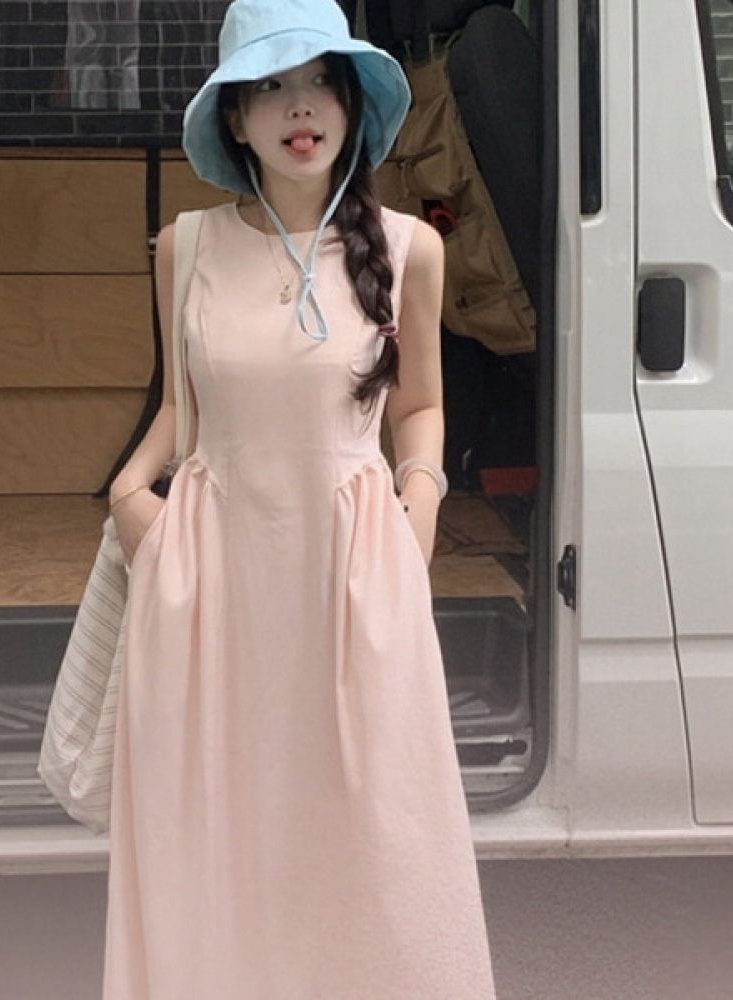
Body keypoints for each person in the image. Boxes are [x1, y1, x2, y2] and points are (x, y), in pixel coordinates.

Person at [102, 0, 496, 995]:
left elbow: (420, 408)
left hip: (353, 574)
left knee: (373, 825)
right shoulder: (184, 246)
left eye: (320, 81)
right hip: (211, 577)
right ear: (234, 121)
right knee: (216, 821)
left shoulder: (409, 248)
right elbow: (183, 406)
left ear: (352, 106)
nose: (299, 106)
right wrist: (128, 493)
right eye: (270, 87)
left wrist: (416, 514)